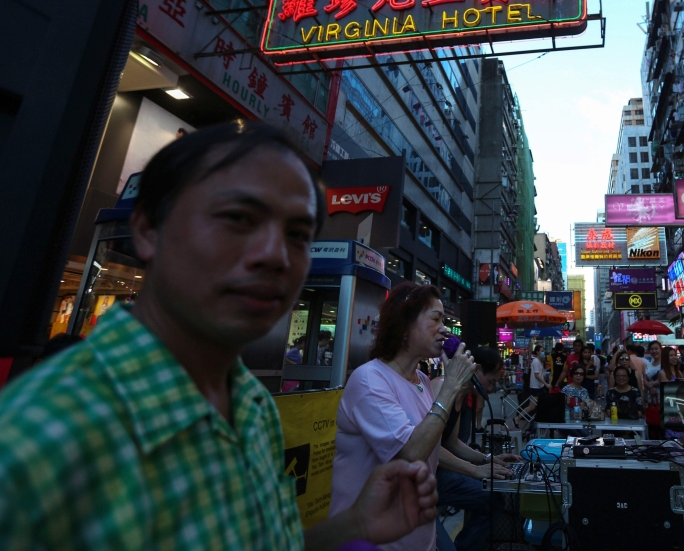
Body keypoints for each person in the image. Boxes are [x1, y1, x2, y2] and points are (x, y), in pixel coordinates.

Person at [0, 123, 438, 549]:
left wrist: (354, 523)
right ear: (149, 228)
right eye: (238, 218)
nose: (274, 255)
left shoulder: (251, 406)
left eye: (298, 235)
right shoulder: (34, 442)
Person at [331, 282, 477, 551]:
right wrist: (451, 386)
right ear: (404, 326)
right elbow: (409, 454)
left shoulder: (421, 379)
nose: (445, 329)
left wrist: (483, 464)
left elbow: (430, 441)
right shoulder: (370, 380)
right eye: (436, 319)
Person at [433, 346, 521, 551]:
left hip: (442, 476)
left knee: (492, 501)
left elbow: (451, 443)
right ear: (476, 369)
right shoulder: (441, 388)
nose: (489, 390)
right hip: (424, 479)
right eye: (489, 382)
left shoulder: (460, 397)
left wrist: (487, 459)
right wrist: (474, 469)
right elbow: (430, 447)